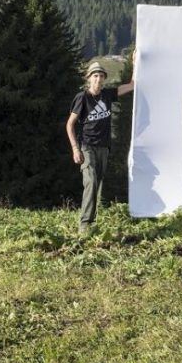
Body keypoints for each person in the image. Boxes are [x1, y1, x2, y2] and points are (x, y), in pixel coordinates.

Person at [66, 60, 135, 235]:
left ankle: (92, 222)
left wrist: (135, 63)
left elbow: (131, 86)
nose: (98, 79)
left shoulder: (107, 95)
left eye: (101, 76)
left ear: (104, 79)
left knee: (98, 186)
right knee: (91, 180)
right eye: (95, 76)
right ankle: (84, 225)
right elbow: (70, 125)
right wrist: (75, 148)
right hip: (86, 146)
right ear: (89, 78)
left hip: (104, 148)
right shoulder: (82, 98)